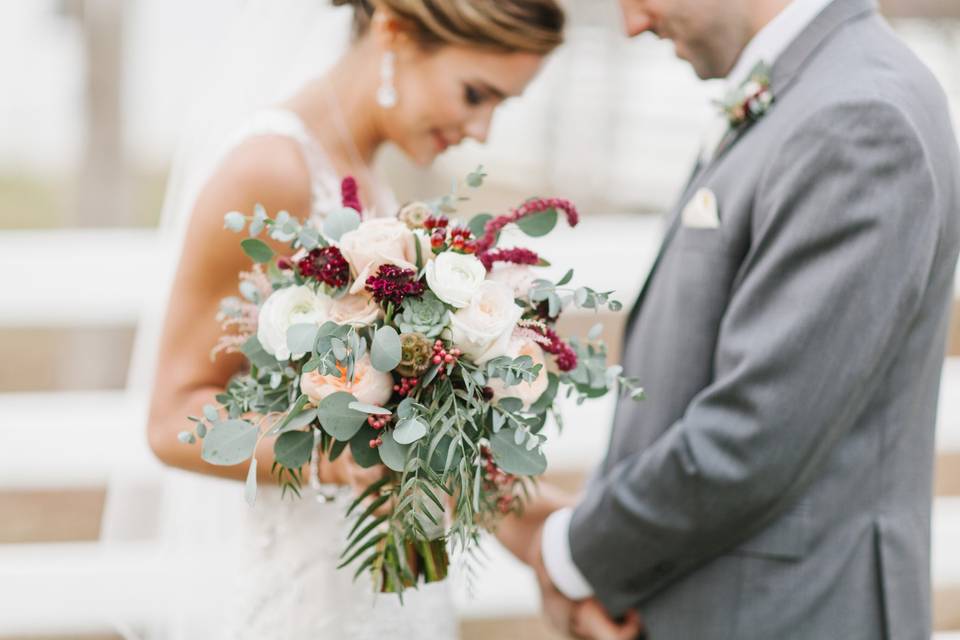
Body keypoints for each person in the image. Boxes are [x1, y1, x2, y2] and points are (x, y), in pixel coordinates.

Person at [522, 0, 960, 638]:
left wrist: (573, 555)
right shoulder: (811, 89)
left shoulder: (860, 116)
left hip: (790, 613)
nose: (631, 23)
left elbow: (756, 436)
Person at [139, 1, 564, 638]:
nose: (482, 129)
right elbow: (173, 421)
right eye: (476, 94)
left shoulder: (368, 177)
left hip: (380, 589)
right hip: (308, 599)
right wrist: (340, 453)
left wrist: (549, 527)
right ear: (395, 30)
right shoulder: (271, 169)